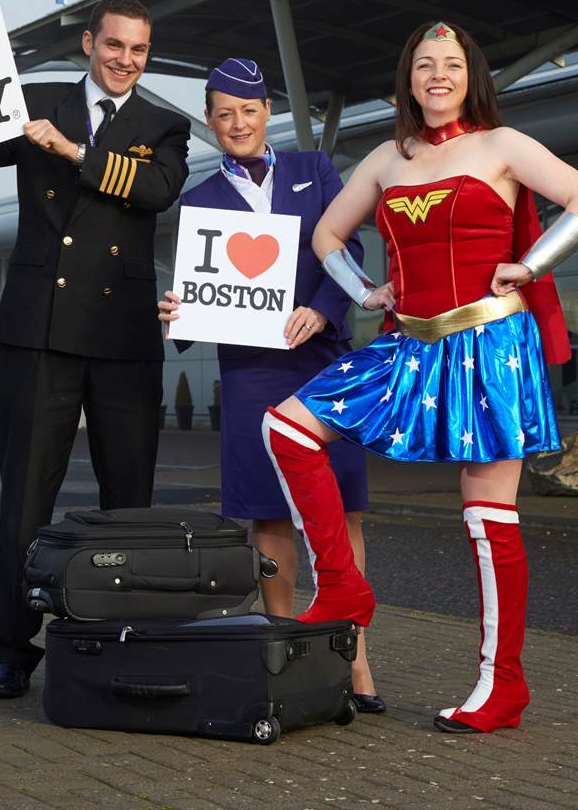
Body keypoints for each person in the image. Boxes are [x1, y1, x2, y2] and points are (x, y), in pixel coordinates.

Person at [260, 21, 578, 734]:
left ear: (470, 74)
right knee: (288, 426)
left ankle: (502, 686)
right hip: (408, 346)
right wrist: (362, 290)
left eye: (451, 64)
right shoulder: (388, 157)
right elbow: (327, 235)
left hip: (490, 345)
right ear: (409, 79)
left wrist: (533, 263)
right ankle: (344, 587)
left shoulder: (503, 146)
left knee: (488, 520)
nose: (438, 75)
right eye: (425, 65)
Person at [0, 0, 190, 698]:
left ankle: (125, 643)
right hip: (39, 330)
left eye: (139, 51)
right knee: (24, 497)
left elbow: (156, 191)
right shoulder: (37, 97)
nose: (124, 60)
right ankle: (10, 652)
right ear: (91, 41)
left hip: (123, 336)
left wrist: (74, 150)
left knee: (130, 503)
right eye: (114, 45)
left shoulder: (165, 124)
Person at [158, 57, 383, 712]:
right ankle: (284, 649)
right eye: (224, 114)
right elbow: (197, 299)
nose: (237, 123)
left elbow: (348, 249)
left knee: (342, 511)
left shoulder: (314, 172)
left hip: (321, 362)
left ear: (267, 114)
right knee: (270, 515)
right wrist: (178, 316)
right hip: (253, 371)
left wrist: (325, 307)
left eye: (249, 111)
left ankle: (356, 659)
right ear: (210, 120)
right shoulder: (199, 201)